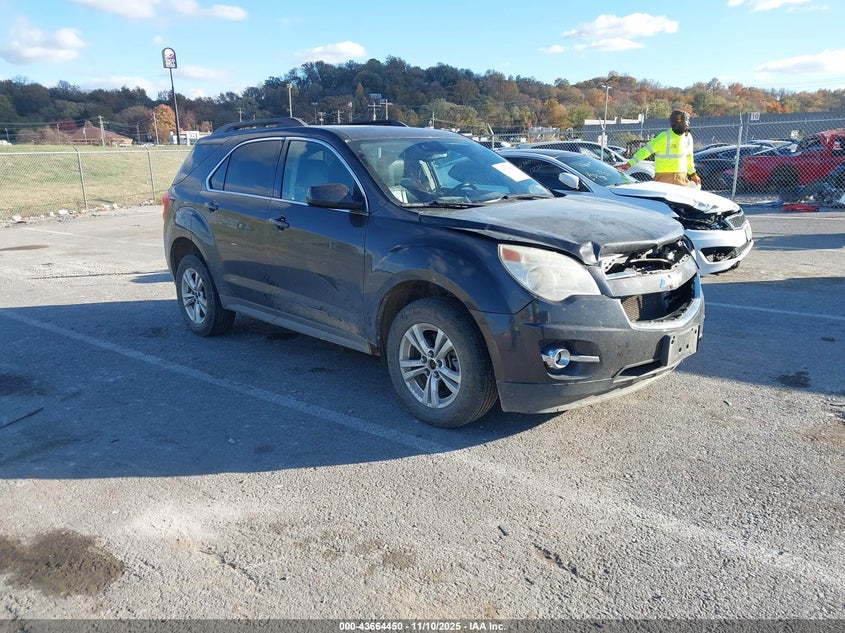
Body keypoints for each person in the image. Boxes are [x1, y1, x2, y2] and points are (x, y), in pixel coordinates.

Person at [616, 110, 701, 187]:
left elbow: (689, 158)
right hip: (663, 179)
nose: (689, 123)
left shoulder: (688, 137)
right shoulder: (664, 137)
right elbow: (645, 151)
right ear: (679, 122)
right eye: (687, 120)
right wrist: (629, 164)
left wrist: (693, 174)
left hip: (681, 178)